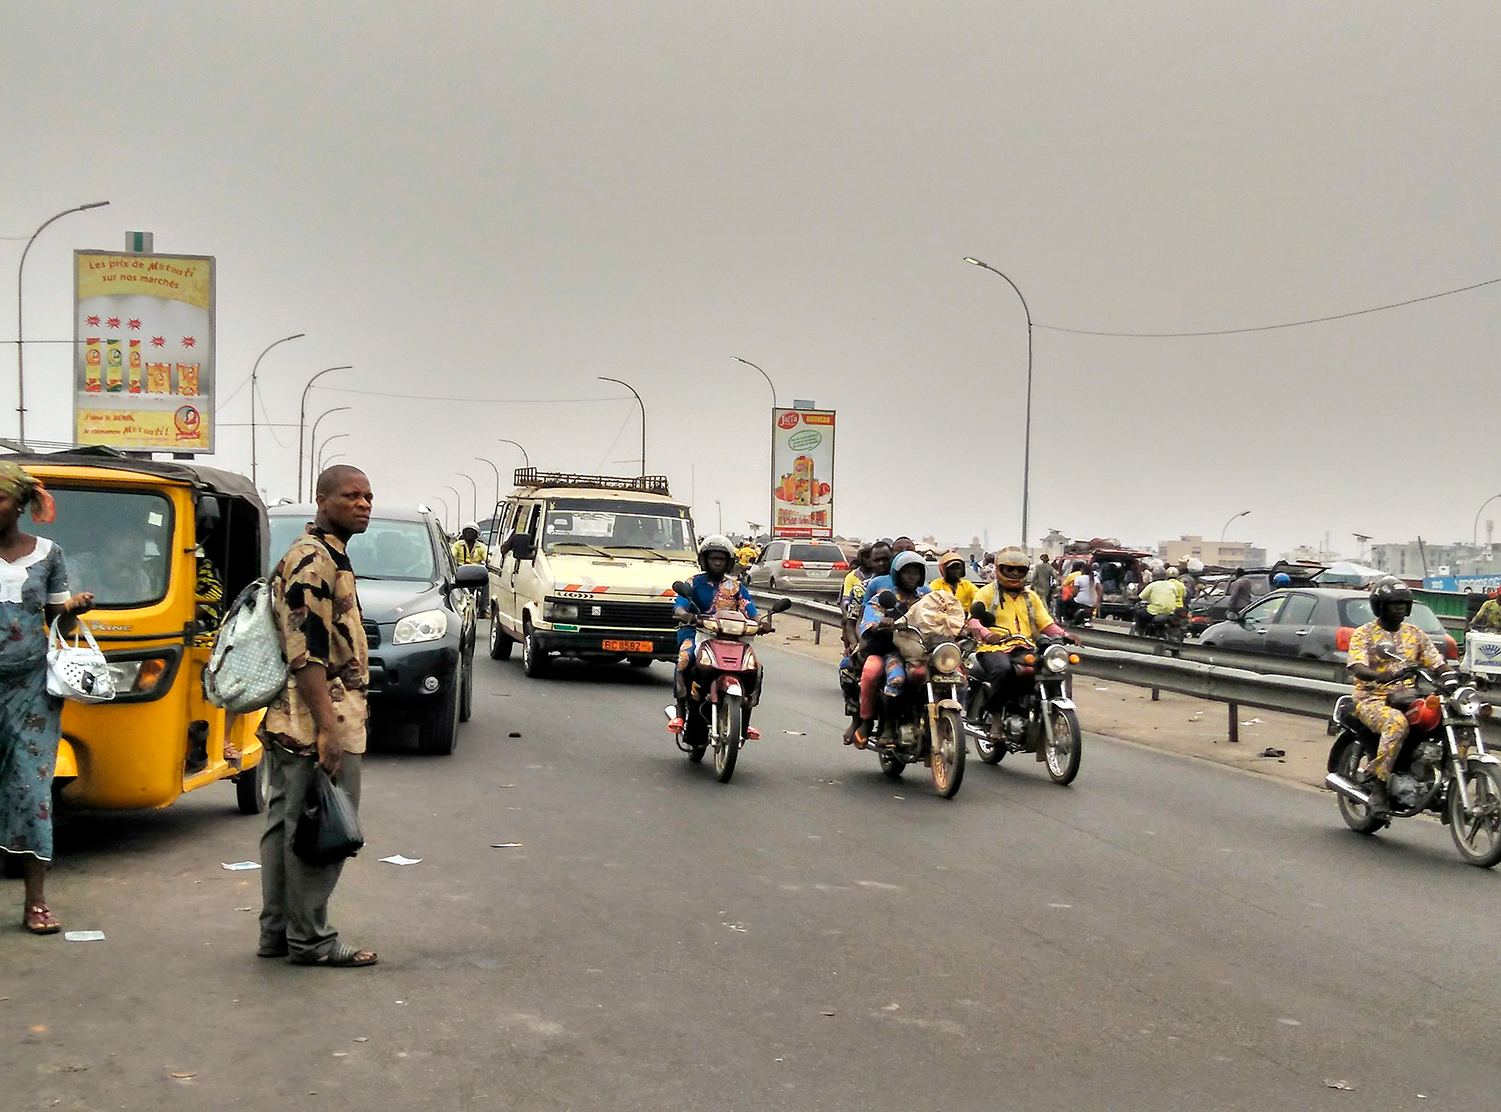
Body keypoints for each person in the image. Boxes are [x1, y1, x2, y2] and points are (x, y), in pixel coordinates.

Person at [258, 465, 377, 967]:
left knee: (287, 823)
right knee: (321, 827)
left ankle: (279, 933)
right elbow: (303, 653)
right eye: (351, 495)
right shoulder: (314, 561)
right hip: (315, 719)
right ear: (322, 501)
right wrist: (328, 728)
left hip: (296, 718)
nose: (363, 504)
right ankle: (311, 939)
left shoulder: (325, 556)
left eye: (368, 496)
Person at [0, 463, 95, 935]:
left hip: (31, 693)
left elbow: (62, 623)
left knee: (33, 792)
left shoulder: (47, 554)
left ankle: (35, 902)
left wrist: (72, 611)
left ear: (18, 504)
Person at [1347, 577, 1449, 813]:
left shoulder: (1415, 634)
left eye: (1404, 603)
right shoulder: (1365, 634)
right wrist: (1377, 675)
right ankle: (1379, 784)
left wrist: (1452, 677)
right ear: (1380, 606)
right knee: (1396, 724)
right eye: (1394, 603)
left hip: (1409, 696)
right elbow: (1357, 666)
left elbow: (1437, 663)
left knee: (1447, 716)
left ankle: (1443, 780)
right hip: (1372, 698)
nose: (1401, 608)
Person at [669, 535, 763, 737]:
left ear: (729, 562)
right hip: (696, 634)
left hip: (730, 638)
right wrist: (689, 616)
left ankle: (745, 720)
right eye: (713, 558)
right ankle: (680, 714)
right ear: (705, 560)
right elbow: (679, 609)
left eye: (721, 559)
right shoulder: (693, 583)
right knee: (685, 659)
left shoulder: (736, 587)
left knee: (756, 667)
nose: (717, 562)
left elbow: (751, 610)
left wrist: (761, 622)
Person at [966, 546, 1074, 713]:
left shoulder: (1031, 597)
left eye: (1020, 570)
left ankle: (1035, 709)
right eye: (1010, 569)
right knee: (1003, 670)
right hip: (994, 648)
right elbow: (973, 621)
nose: (1015, 574)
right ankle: (996, 717)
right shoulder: (986, 593)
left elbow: (1046, 624)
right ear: (999, 569)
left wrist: (1065, 635)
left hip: (1025, 647)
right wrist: (987, 634)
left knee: (1052, 669)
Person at [847, 550, 929, 747]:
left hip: (922, 651)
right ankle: (880, 723)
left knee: (956, 674)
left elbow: (943, 613)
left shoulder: (927, 597)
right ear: (897, 574)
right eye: (907, 572)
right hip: (891, 650)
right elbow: (868, 620)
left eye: (915, 573)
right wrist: (880, 623)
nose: (911, 576)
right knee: (891, 676)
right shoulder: (884, 596)